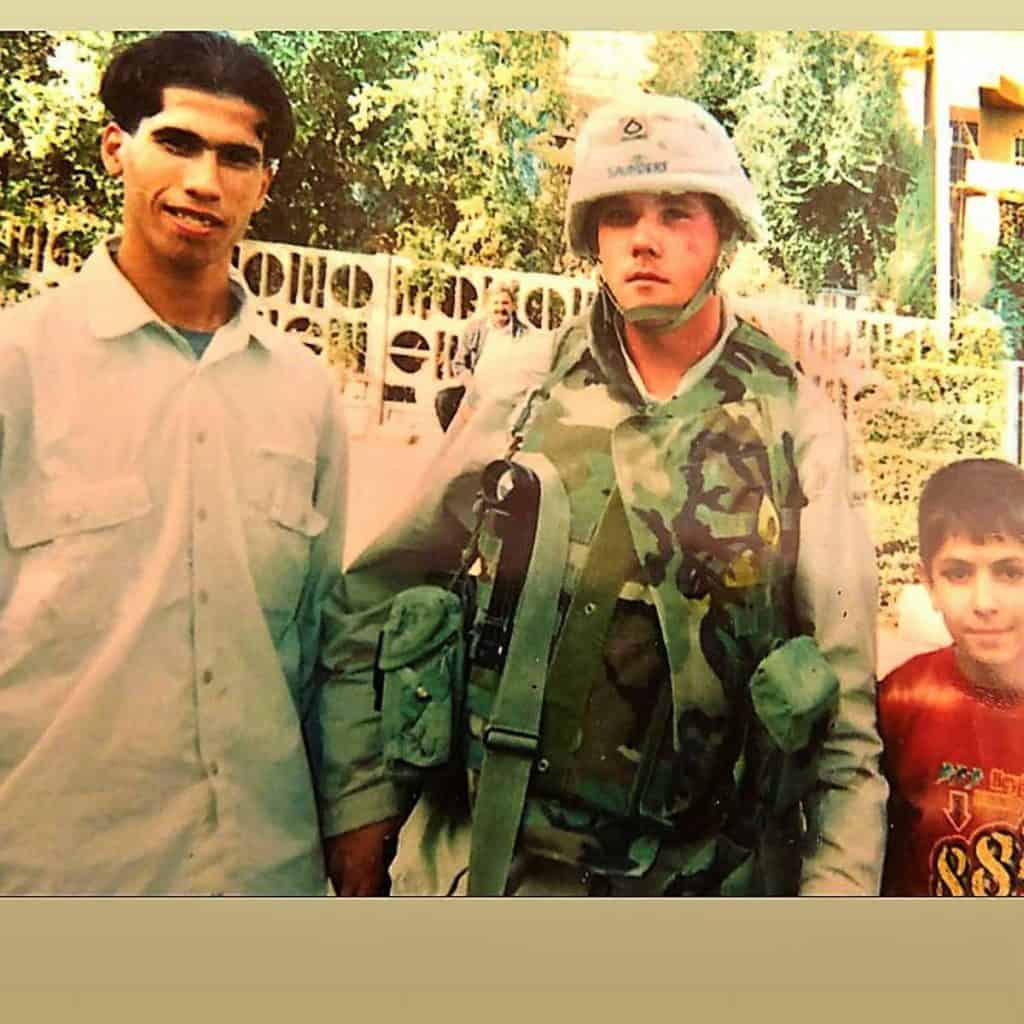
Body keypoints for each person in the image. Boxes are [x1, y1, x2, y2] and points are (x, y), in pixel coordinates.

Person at [319, 94, 887, 896]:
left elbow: (844, 724)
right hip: (482, 872)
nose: (644, 239)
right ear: (593, 238)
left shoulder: (796, 422)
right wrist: (359, 806)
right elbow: (377, 598)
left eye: (677, 212)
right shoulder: (521, 388)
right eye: (619, 215)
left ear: (723, 233)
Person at [0, 31, 397, 895]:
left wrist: (354, 818)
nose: (203, 181)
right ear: (118, 148)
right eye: (175, 142)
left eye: (235, 156)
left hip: (262, 873)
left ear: (266, 183)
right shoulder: (18, 366)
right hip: (57, 878)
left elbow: (325, 636)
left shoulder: (302, 393)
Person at [879, 458, 1024, 897]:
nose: (985, 602)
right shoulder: (902, 702)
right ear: (929, 585)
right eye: (958, 573)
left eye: (1010, 572)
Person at [434, 282, 531, 431]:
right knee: (444, 399)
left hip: (506, 393)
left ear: (513, 306)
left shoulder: (523, 335)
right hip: (476, 389)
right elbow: (459, 363)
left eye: (505, 303)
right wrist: (470, 382)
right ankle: (457, 445)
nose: (500, 308)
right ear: (487, 307)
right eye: (496, 303)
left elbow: (526, 371)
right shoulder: (475, 329)